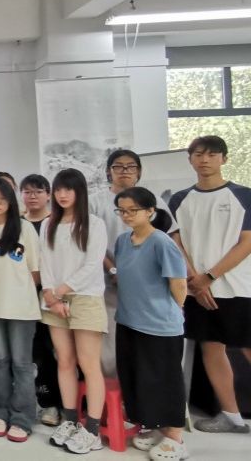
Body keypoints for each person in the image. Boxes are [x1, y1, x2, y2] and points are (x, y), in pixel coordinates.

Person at [168, 135, 251, 459]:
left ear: (224, 159)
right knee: (211, 349)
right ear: (190, 159)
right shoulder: (179, 200)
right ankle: (231, 416)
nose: (204, 160)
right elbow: (176, 242)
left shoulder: (246, 196)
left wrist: (209, 277)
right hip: (196, 290)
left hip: (237, 289)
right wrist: (195, 281)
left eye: (212, 154)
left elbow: (247, 243)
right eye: (198, 154)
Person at [89, 150, 181, 378]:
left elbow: (171, 235)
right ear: (109, 171)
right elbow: (90, 243)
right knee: (111, 344)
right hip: (109, 284)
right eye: (118, 166)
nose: (125, 171)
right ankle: (115, 391)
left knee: (147, 349)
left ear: (138, 171)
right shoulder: (95, 202)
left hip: (150, 289)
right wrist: (112, 269)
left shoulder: (153, 200)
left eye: (131, 166)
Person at [113, 187, 189, 460]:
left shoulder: (162, 242)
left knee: (165, 381)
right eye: (122, 210)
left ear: (150, 211)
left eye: (133, 210)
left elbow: (179, 285)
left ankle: (176, 437)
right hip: (128, 320)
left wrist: (172, 309)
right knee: (138, 378)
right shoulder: (122, 241)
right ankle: (152, 424)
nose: (127, 215)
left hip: (160, 324)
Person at [39, 168, 109, 454]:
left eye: (68, 189)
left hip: (85, 297)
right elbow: (44, 261)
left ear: (80, 192)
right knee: (64, 361)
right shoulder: (48, 224)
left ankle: (92, 430)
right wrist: (50, 293)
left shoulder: (94, 224)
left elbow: (93, 264)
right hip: (53, 299)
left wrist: (60, 290)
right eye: (58, 189)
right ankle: (69, 420)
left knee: (88, 364)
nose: (62, 195)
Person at [0, 177, 42, 444]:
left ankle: (22, 419)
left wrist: (20, 293)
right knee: (0, 362)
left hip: (21, 308)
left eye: (1, 199)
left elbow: (35, 271)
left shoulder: (24, 228)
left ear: (11, 201)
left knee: (22, 364)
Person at [20, 172, 61, 426]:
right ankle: (43, 401)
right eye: (27, 192)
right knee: (35, 351)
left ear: (48, 195)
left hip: (52, 296)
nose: (32, 196)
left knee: (55, 350)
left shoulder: (55, 222)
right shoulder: (17, 223)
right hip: (23, 297)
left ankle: (60, 404)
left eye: (38, 191)